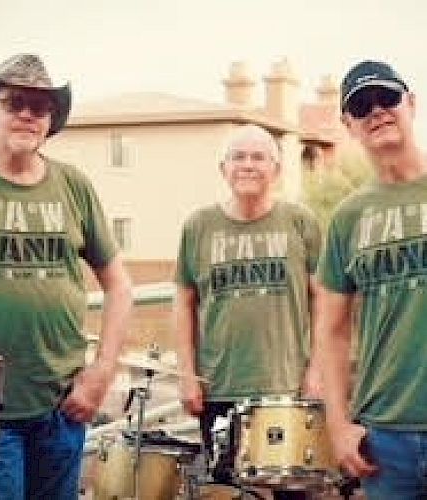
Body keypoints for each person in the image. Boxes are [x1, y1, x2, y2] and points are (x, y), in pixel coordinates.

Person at [0, 54, 132, 499]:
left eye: (39, 107)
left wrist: (101, 373)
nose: (26, 114)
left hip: (64, 406)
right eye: (14, 101)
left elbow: (119, 284)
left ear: (50, 119)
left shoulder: (72, 185)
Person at [174, 124, 323, 499]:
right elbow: (183, 304)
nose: (248, 165)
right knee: (228, 493)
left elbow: (325, 302)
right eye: (238, 157)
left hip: (287, 387)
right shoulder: (199, 226)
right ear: (223, 169)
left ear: (276, 169)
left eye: (259, 157)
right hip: (220, 388)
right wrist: (188, 375)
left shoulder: (299, 222)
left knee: (293, 493)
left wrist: (317, 370)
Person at [317, 60, 427, 499]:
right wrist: (339, 424)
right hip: (384, 438)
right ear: (349, 124)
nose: (378, 110)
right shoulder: (348, 217)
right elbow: (331, 330)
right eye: (363, 105)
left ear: (412, 104)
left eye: (388, 98)